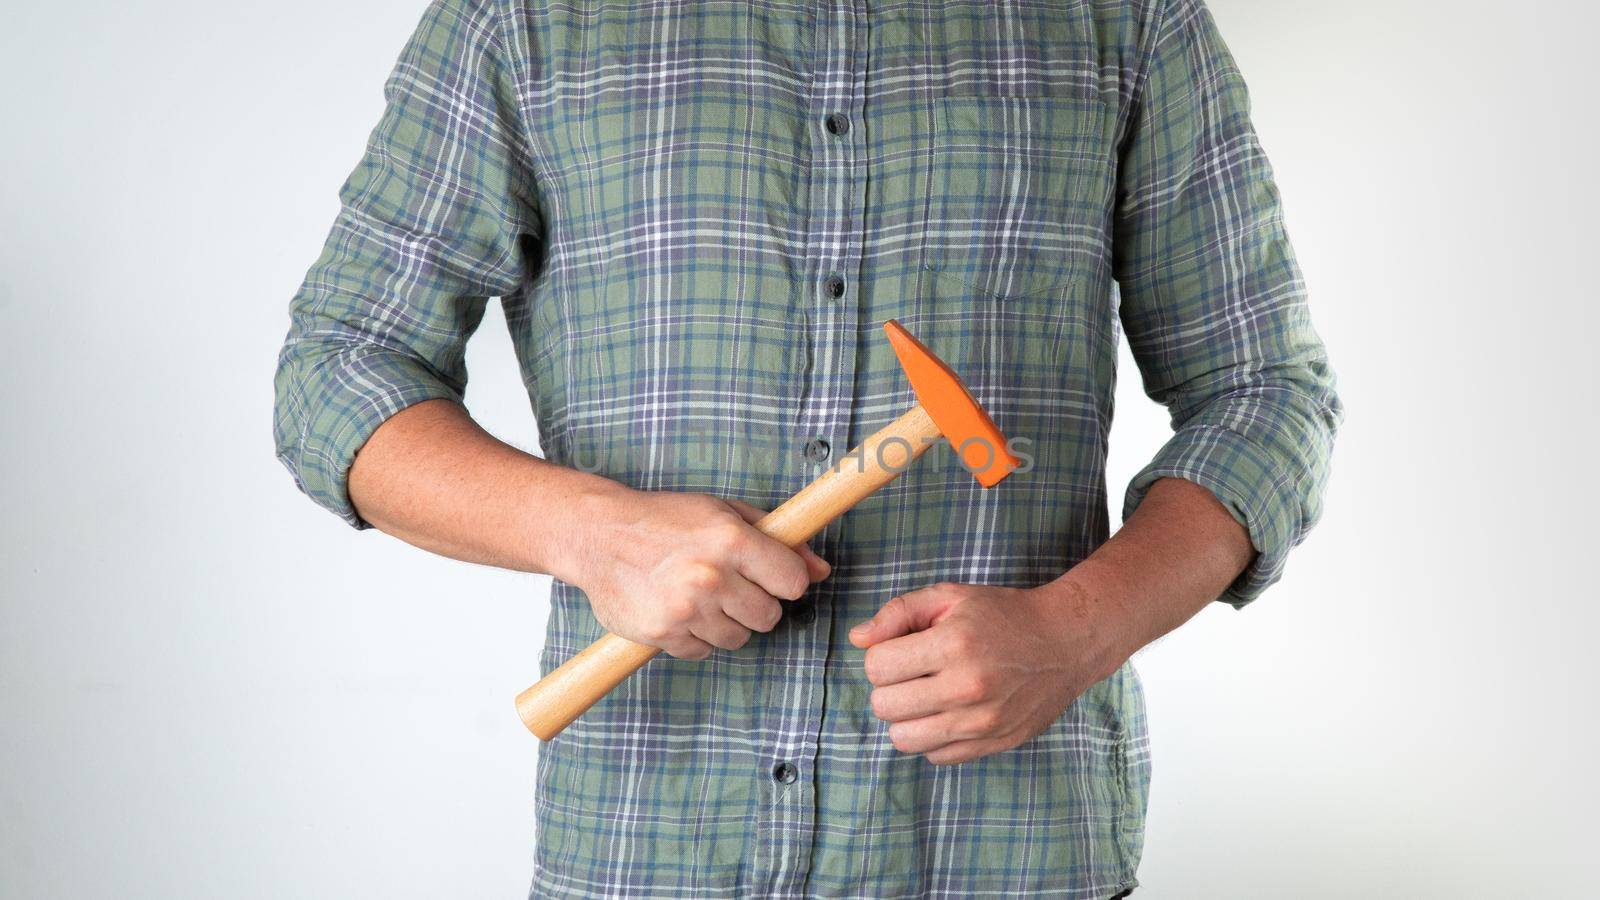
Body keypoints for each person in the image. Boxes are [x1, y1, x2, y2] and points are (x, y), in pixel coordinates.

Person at [273, 0, 1340, 895]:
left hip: (1008, 846)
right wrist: (588, 533)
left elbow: (1266, 395)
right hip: (649, 835)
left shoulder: (1124, 19)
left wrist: (1076, 631)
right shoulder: (524, 19)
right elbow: (338, 370)